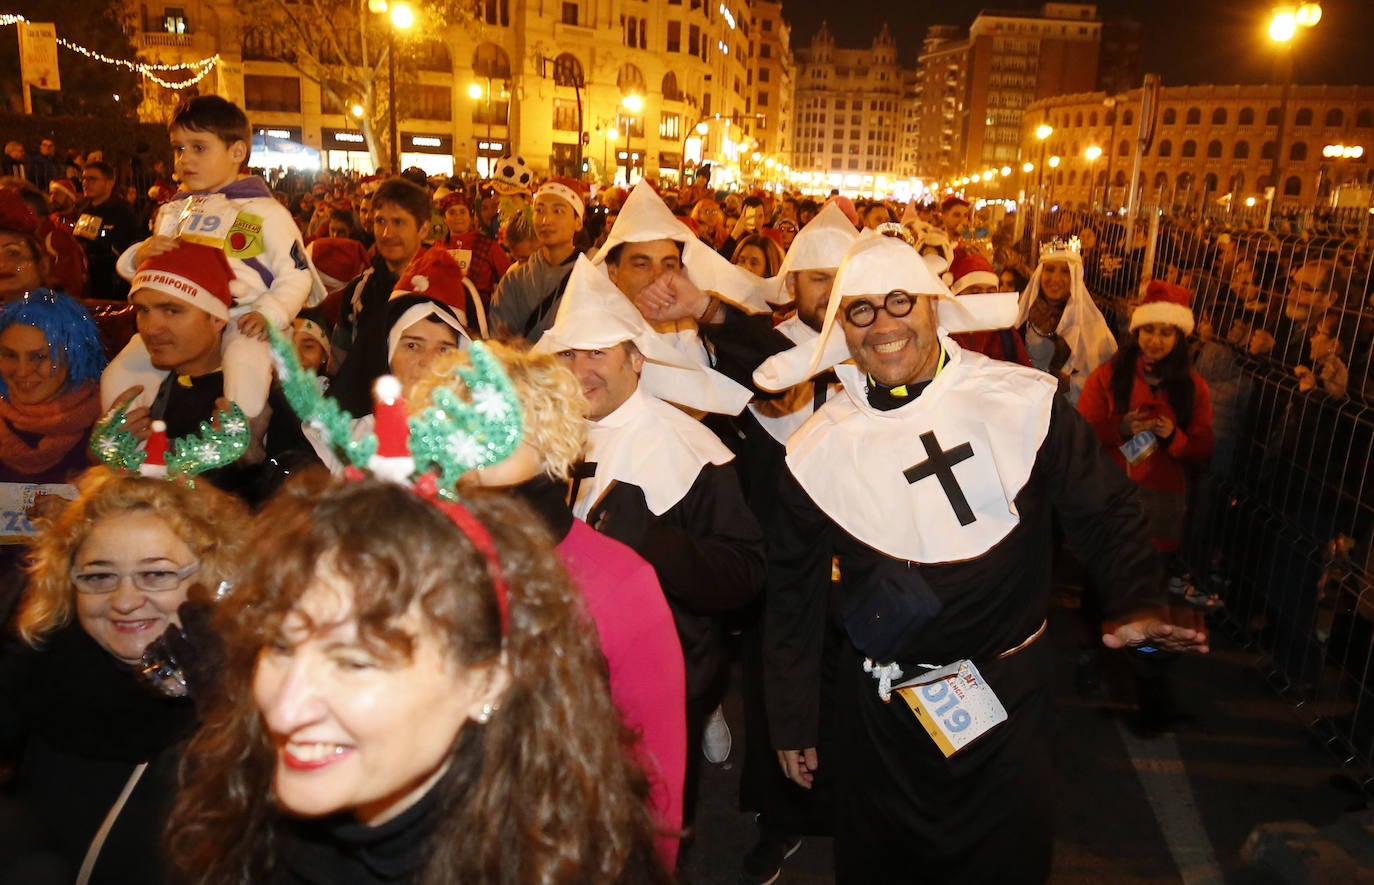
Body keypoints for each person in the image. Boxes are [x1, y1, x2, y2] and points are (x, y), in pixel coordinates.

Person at [760, 231, 1207, 882]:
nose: (882, 324)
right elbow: (793, 591)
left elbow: (1106, 507)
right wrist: (793, 714)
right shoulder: (815, 448)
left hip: (1005, 703)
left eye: (899, 302)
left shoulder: (1022, 400)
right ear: (842, 333)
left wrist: (1136, 594)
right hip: (880, 713)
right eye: (861, 310)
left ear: (934, 308)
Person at [165, 473, 670, 883]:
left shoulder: (563, 867)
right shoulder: (232, 819)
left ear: (486, 683)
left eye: (355, 662)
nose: (283, 709)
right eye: (279, 645)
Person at [410, 343, 687, 868]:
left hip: (563, 850)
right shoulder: (413, 561)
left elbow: (656, 762)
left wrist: (653, 869)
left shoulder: (618, 581)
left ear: (552, 437)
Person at [539, 256, 766, 830]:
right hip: (559, 682)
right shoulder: (538, 438)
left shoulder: (690, 448)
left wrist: (654, 542)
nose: (580, 368)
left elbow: (744, 575)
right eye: (568, 353)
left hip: (659, 683)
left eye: (598, 352)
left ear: (637, 361)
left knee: (646, 834)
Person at [0, 468, 249, 884]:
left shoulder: (240, 719)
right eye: (99, 576)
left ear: (217, 579)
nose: (125, 600)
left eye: (156, 574)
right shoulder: (39, 682)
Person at [109, 97, 324, 420]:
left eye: (198, 147)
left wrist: (269, 314)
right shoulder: (173, 210)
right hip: (178, 325)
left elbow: (296, 275)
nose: (184, 159)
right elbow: (154, 274)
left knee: (244, 371)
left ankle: (231, 441)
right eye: (179, 148)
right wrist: (137, 257)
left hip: (244, 320)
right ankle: (127, 444)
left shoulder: (267, 212)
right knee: (120, 372)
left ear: (236, 152)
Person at [330, 178, 434, 414]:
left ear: (424, 228)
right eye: (380, 221)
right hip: (366, 425)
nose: (387, 233)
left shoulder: (453, 289)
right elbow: (339, 364)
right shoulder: (359, 291)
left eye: (398, 222)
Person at [1015, 238, 1117, 404]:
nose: (1055, 278)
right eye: (1050, 269)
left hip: (1070, 416)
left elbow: (1105, 383)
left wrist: (1067, 382)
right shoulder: (1022, 317)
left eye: (1065, 271)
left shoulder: (1094, 326)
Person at [488, 178, 587, 341]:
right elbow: (501, 344)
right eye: (539, 210)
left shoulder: (595, 274)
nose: (546, 220)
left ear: (578, 222)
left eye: (558, 211)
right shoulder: (514, 281)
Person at [72, 162, 139, 301]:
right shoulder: (82, 210)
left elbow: (126, 249)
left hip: (112, 288)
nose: (86, 183)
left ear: (109, 183)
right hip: (86, 284)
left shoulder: (122, 212)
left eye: (92, 179)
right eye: (83, 178)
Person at [437, 190, 510, 307]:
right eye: (452, 213)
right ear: (444, 218)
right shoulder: (438, 247)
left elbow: (509, 276)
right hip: (445, 310)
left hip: (479, 310)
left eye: (462, 212)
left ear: (470, 216)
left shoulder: (487, 245)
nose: (458, 217)